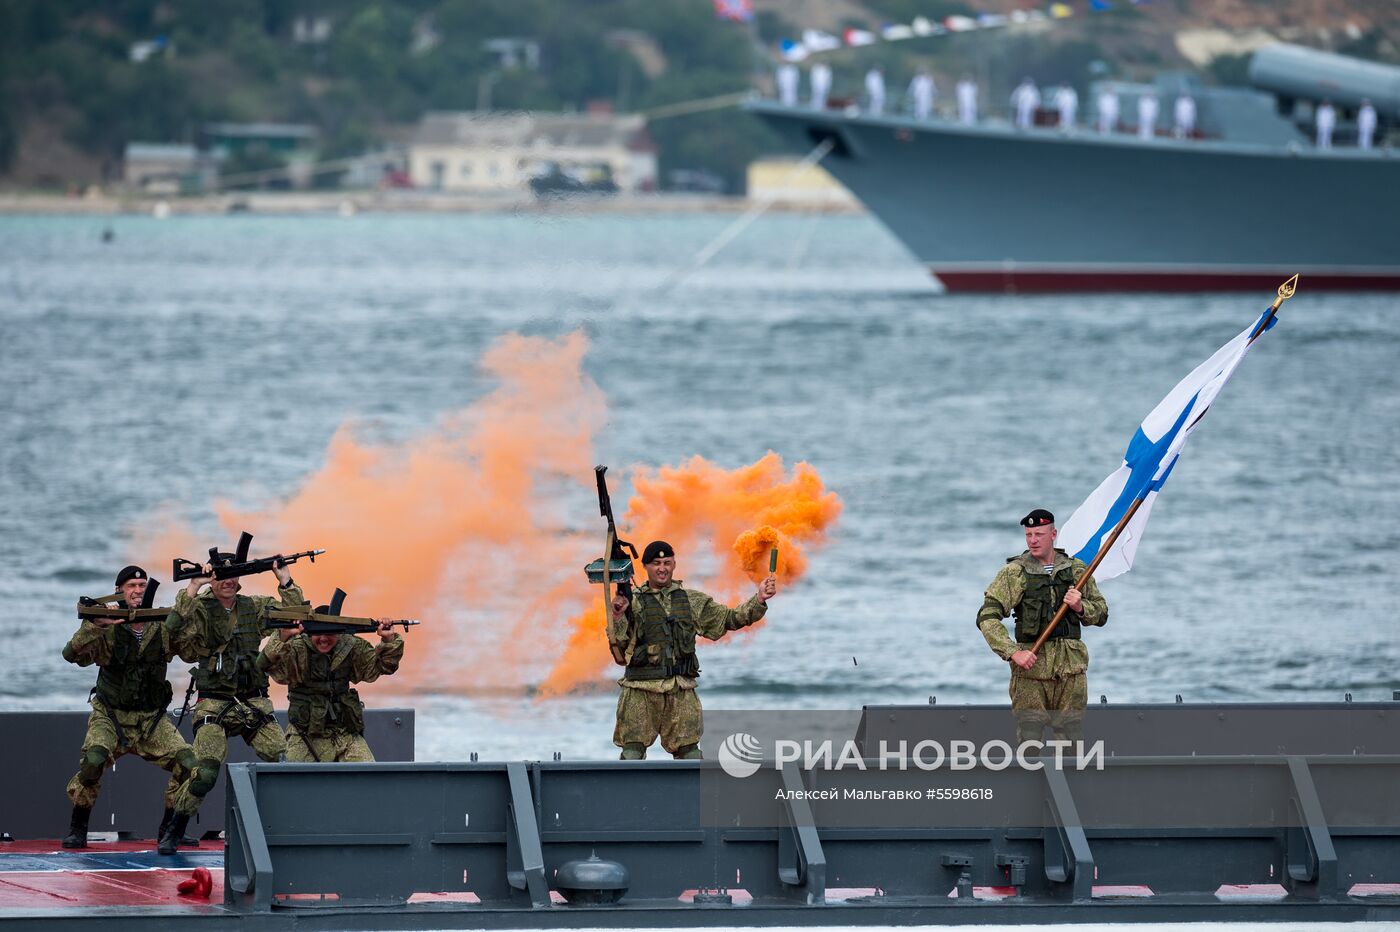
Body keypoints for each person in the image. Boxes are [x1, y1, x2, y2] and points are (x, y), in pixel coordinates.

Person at [60, 566, 202, 855]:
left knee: (189, 764)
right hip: (111, 716)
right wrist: (96, 624)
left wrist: (196, 600)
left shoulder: (161, 626)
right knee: (94, 760)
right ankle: (78, 826)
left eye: (142, 584)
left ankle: (169, 829)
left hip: (151, 720)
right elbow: (72, 654)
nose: (138, 590)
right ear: (119, 591)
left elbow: (191, 649)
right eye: (131, 585)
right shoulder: (108, 627)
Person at [163, 552, 305, 839]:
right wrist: (193, 587)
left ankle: (295, 829)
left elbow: (295, 616)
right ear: (212, 579)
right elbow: (172, 631)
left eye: (233, 575)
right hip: (213, 702)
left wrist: (285, 581)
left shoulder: (253, 606)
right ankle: (173, 831)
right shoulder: (199, 608)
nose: (228, 581)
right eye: (220, 576)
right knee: (205, 772)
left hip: (252, 703)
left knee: (285, 761)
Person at [610, 541, 777, 760]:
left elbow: (730, 618)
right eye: (656, 563)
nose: (662, 568)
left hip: (681, 691)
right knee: (631, 754)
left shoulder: (691, 600)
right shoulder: (633, 602)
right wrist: (618, 615)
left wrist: (759, 599)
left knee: (690, 755)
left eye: (667, 563)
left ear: (674, 564)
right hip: (640, 690)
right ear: (646, 567)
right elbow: (619, 648)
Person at [976, 510, 1108, 745]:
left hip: (1070, 671)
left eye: (1039, 534)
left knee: (1072, 741)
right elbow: (987, 616)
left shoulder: (1077, 570)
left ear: (1053, 535)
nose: (1033, 540)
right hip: (1031, 673)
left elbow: (1101, 613)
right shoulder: (1015, 573)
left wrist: (1080, 607)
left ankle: (1072, 781)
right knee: (1030, 740)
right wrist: (1013, 652)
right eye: (1028, 534)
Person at [257, 609, 404, 762]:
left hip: (346, 734)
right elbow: (267, 667)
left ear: (340, 633)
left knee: (368, 777)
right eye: (318, 633)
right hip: (305, 735)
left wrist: (388, 641)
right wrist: (283, 638)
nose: (323, 639)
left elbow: (380, 668)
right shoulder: (296, 648)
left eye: (330, 634)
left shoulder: (351, 646)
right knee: (293, 779)